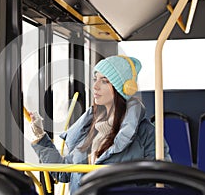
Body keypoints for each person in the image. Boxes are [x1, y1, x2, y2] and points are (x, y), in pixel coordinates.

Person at [29, 55, 171, 194]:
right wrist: (40, 135)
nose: (95, 86)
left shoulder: (147, 134)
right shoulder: (88, 128)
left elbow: (164, 182)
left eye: (104, 81)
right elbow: (64, 173)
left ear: (124, 89)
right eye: (95, 79)